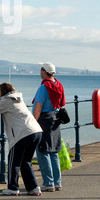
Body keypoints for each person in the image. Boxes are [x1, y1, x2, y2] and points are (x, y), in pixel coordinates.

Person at [0, 82, 43, 196]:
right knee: (26, 161)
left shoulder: (6, 100)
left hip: (22, 134)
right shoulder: (17, 98)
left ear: (2, 92)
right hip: (36, 131)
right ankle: (33, 188)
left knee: (14, 161)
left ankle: (13, 188)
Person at [32, 62, 65, 192]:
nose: (40, 72)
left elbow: (38, 107)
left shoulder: (44, 87)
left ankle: (48, 183)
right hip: (55, 119)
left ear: (45, 71)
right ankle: (57, 182)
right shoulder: (58, 85)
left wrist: (33, 123)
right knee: (53, 151)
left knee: (42, 150)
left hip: (44, 120)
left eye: (41, 70)